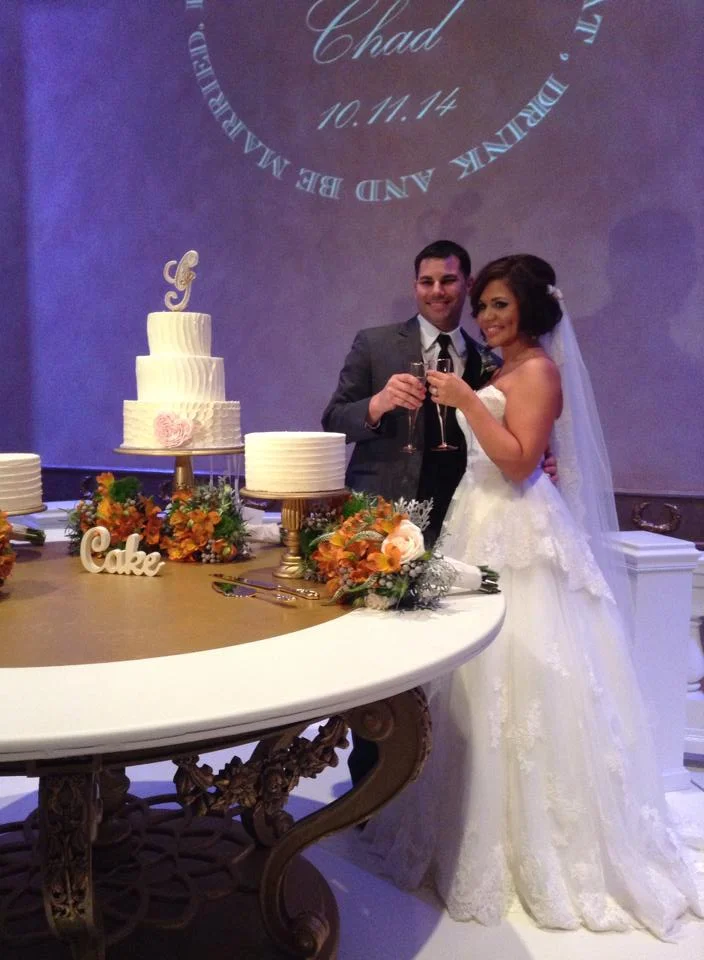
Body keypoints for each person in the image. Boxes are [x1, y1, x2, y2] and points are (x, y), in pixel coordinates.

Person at [362, 254, 704, 937]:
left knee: (526, 672)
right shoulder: (503, 370)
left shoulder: (539, 369)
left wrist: (464, 403)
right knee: (469, 680)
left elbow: (518, 461)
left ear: (532, 309)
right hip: (478, 519)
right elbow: (505, 451)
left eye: (497, 305)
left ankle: (538, 840)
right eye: (482, 304)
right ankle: (462, 823)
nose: (485, 316)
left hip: (519, 529)